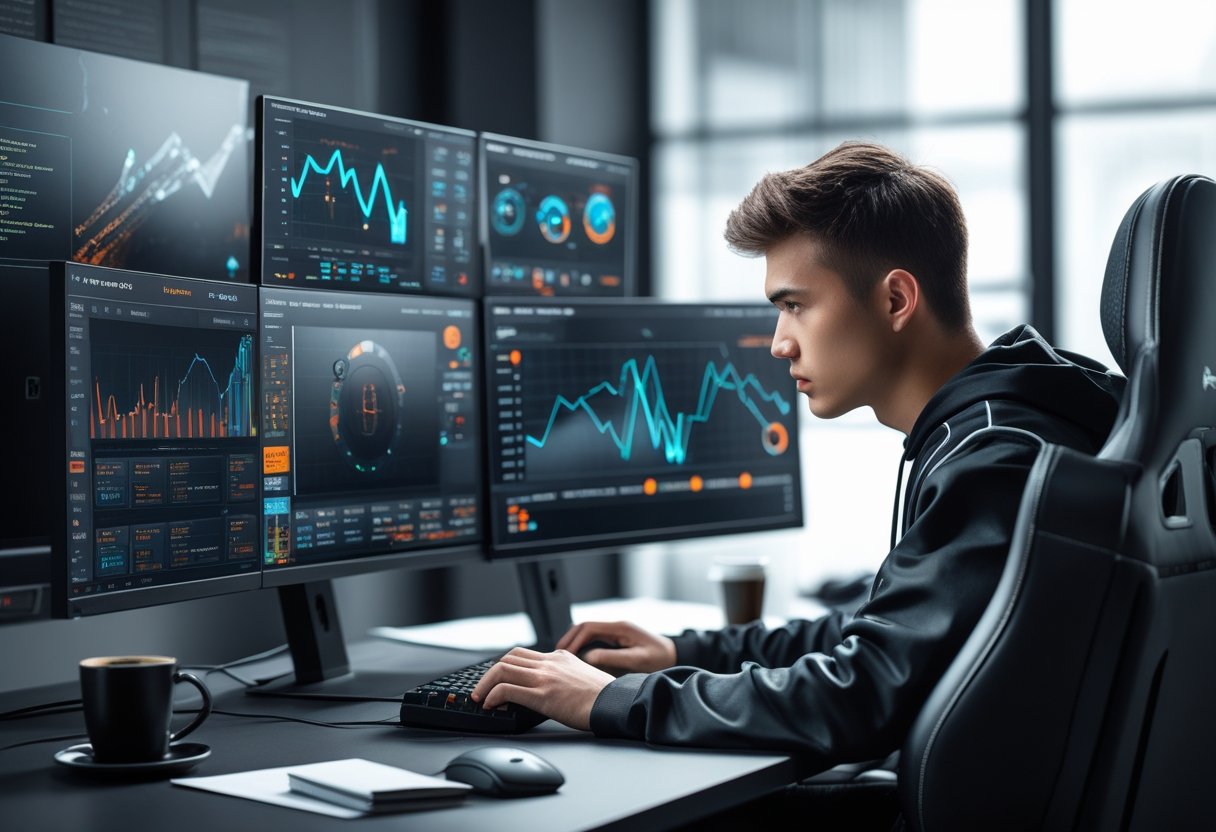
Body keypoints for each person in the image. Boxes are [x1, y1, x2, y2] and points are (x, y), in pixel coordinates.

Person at [470, 141, 1124, 773]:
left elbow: (859, 694)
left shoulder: (993, 459)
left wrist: (607, 700)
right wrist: (683, 650)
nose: (778, 343)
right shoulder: (1008, 423)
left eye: (795, 307)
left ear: (895, 300)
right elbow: (885, 631)